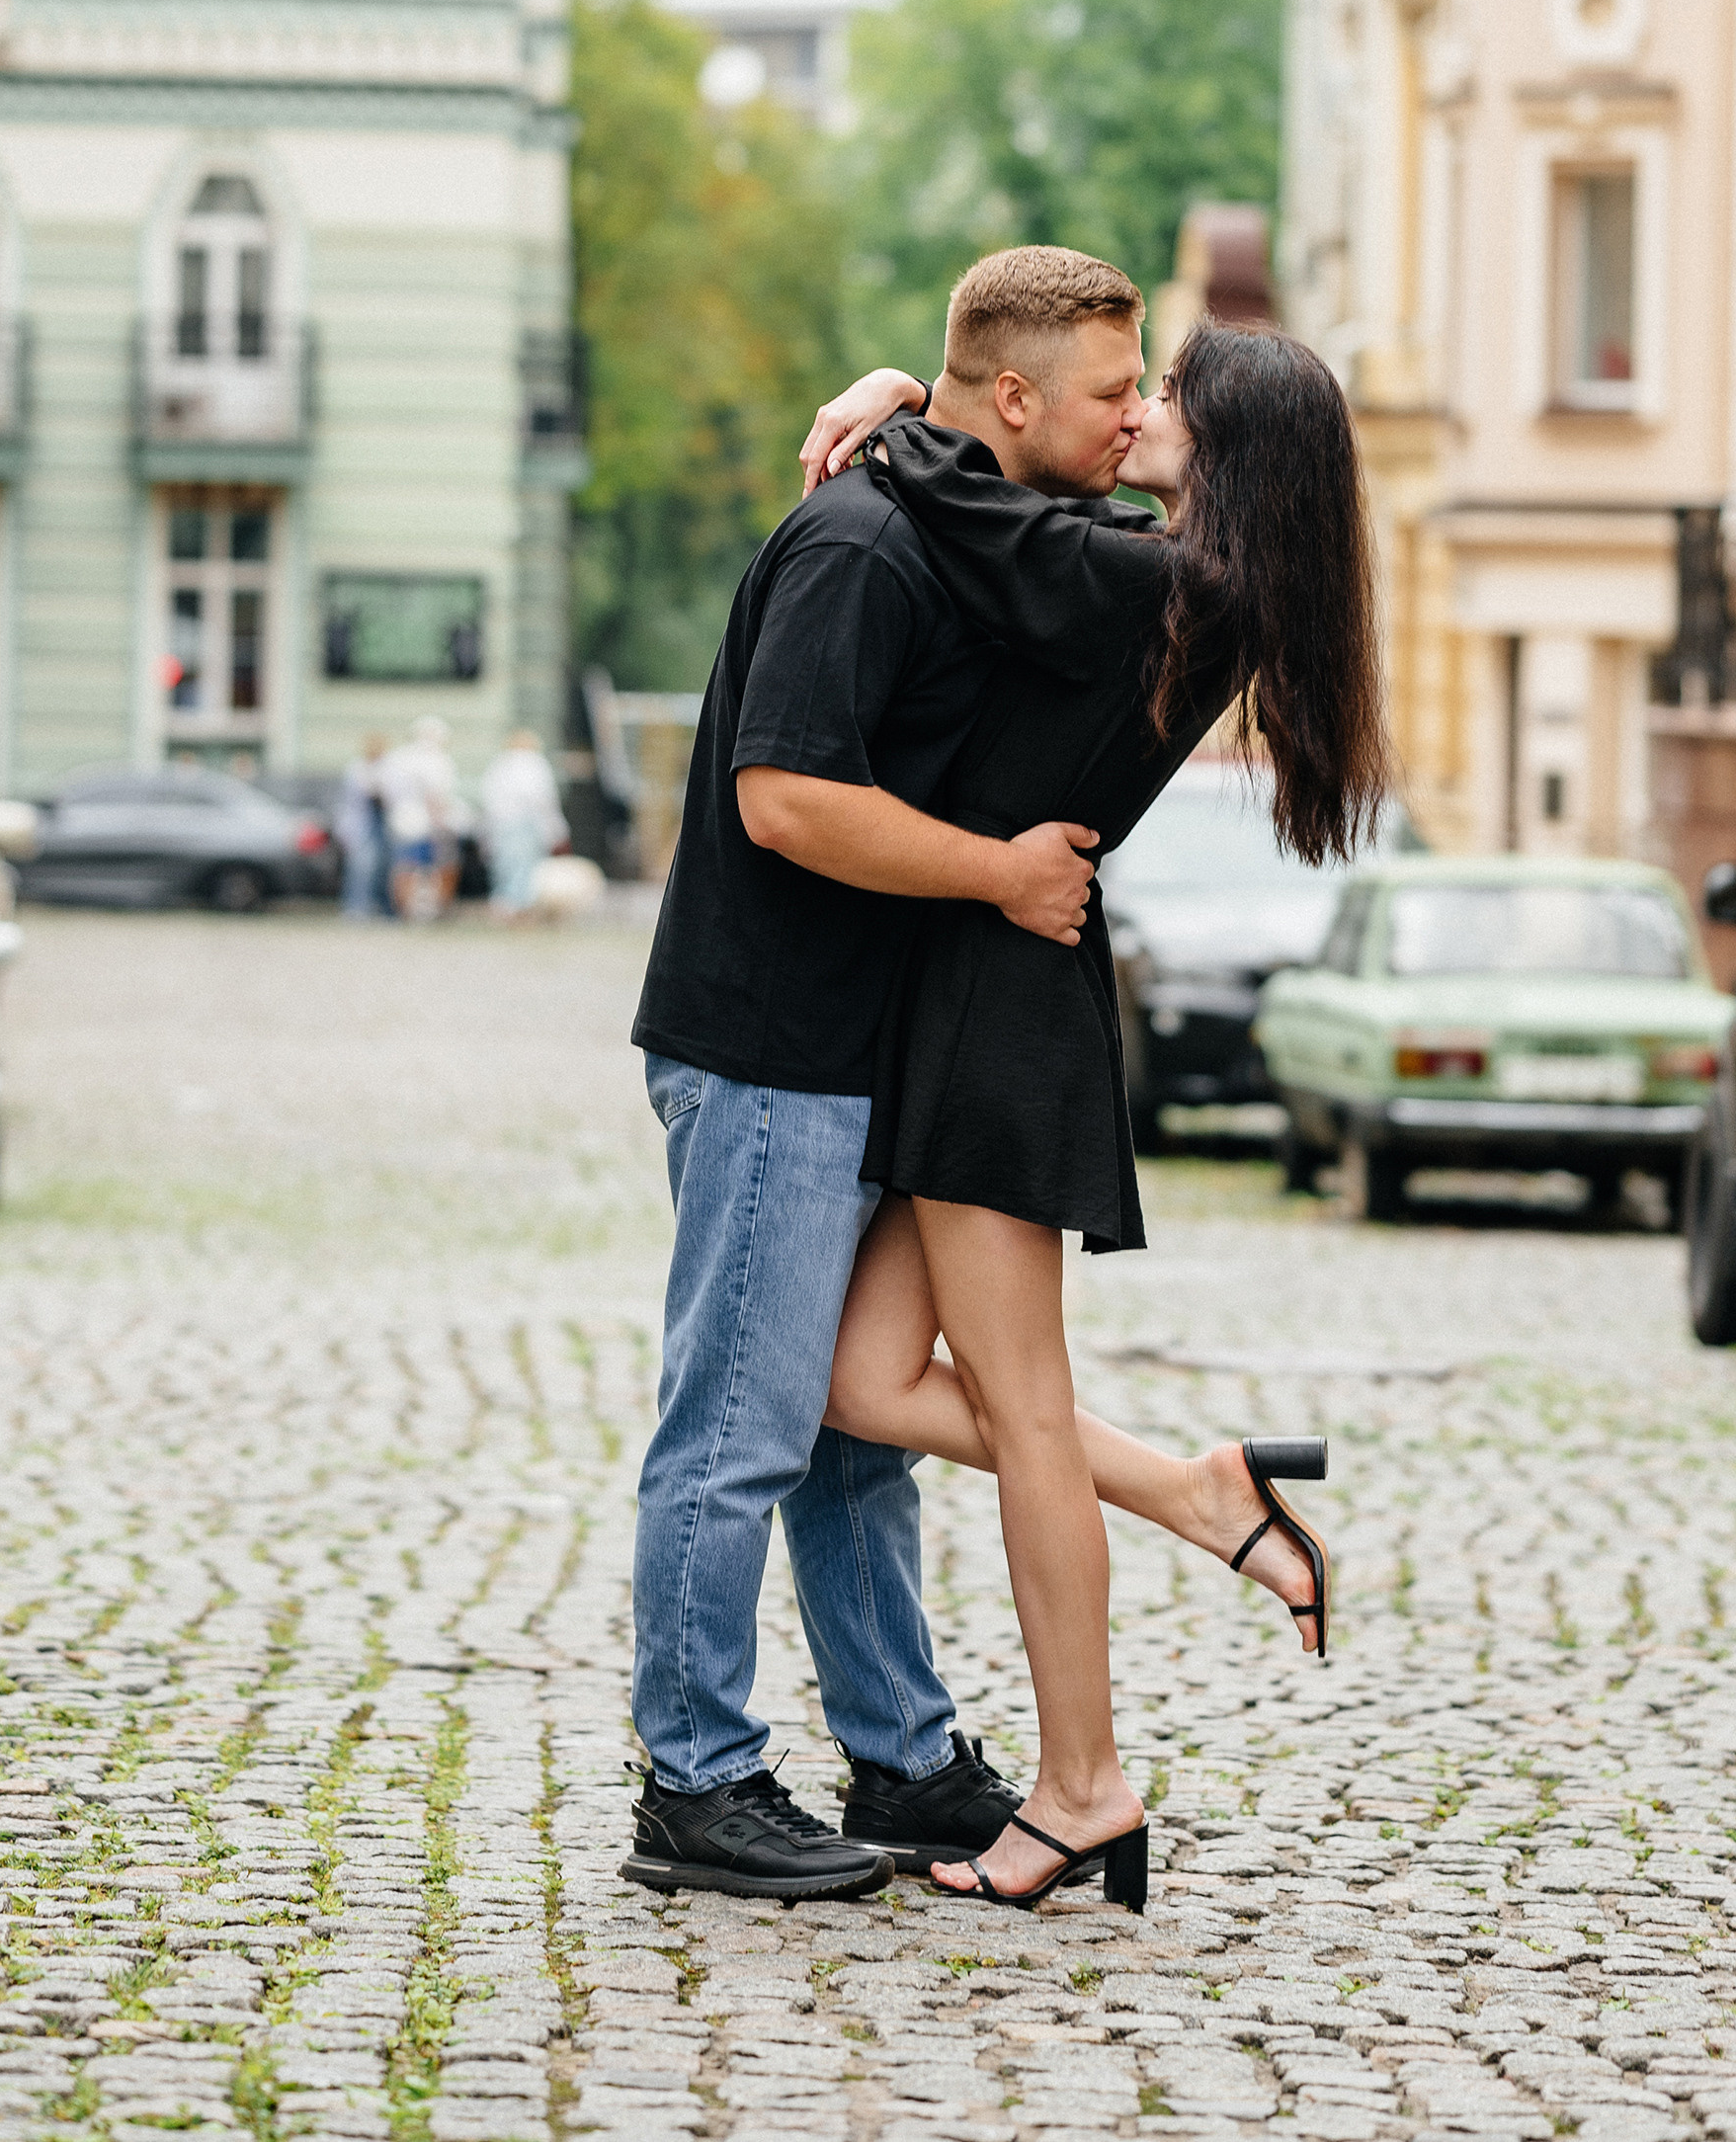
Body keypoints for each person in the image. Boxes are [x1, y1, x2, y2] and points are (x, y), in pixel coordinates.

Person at [622, 245, 1358, 1906]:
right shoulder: (911, 541)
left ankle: (951, 1757)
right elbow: (786, 793)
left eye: (1158, 396)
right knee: (785, 1409)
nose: (1134, 413)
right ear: (1020, 399)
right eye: (1117, 390)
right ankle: (705, 1776)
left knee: (864, 1416)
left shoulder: (1136, 578)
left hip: (954, 1018)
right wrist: (906, 407)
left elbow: (982, 485)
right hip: (806, 1028)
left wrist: (898, 407)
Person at [377, 714, 460, 921]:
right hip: (427, 822)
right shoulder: (435, 759)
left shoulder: (398, 757)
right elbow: (434, 795)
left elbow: (383, 791)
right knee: (443, 866)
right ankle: (439, 910)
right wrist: (442, 821)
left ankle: (404, 912)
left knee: (404, 866)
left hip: (400, 820)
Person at [479, 727, 568, 914]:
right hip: (526, 822)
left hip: (502, 823)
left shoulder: (499, 764)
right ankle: (520, 906)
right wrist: (556, 826)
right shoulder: (534, 763)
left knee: (505, 866)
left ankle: (504, 904)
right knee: (525, 867)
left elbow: (489, 798)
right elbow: (543, 798)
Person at [333, 737, 387, 921]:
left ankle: (375, 906)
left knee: (379, 868)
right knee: (360, 868)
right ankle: (355, 907)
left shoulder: (384, 768)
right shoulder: (357, 768)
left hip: (378, 825)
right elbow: (363, 795)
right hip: (361, 826)